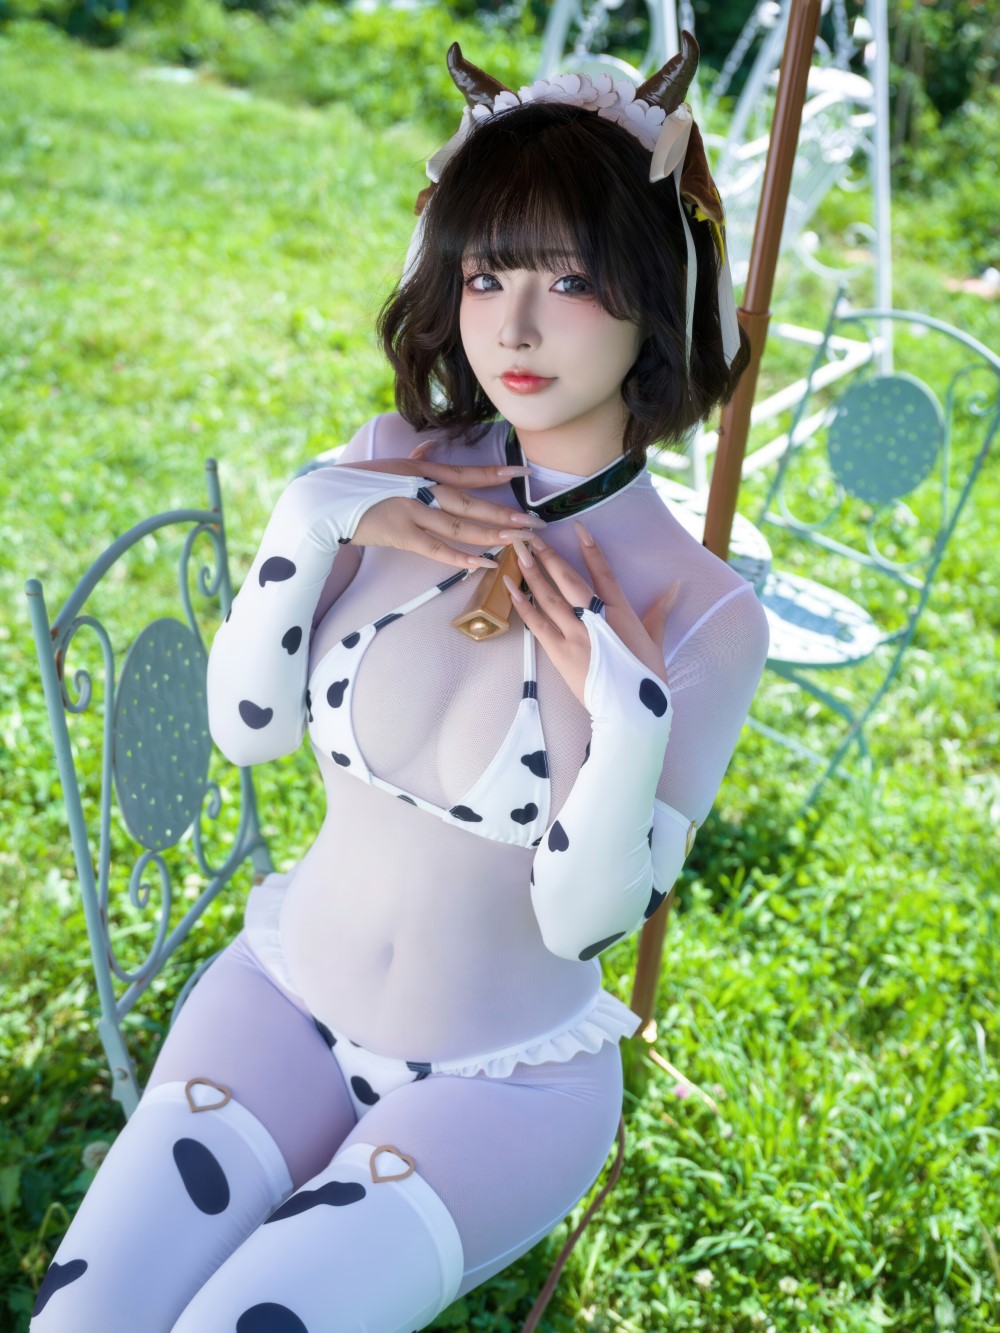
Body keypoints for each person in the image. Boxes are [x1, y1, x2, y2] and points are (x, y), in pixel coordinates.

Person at [32, 35, 768, 1333]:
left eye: (570, 279)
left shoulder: (701, 611)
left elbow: (582, 924)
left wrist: (630, 715)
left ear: (653, 293)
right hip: (280, 1001)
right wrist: (308, 517)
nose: (513, 326)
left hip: (503, 1083)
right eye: (486, 274)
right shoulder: (388, 462)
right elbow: (247, 730)